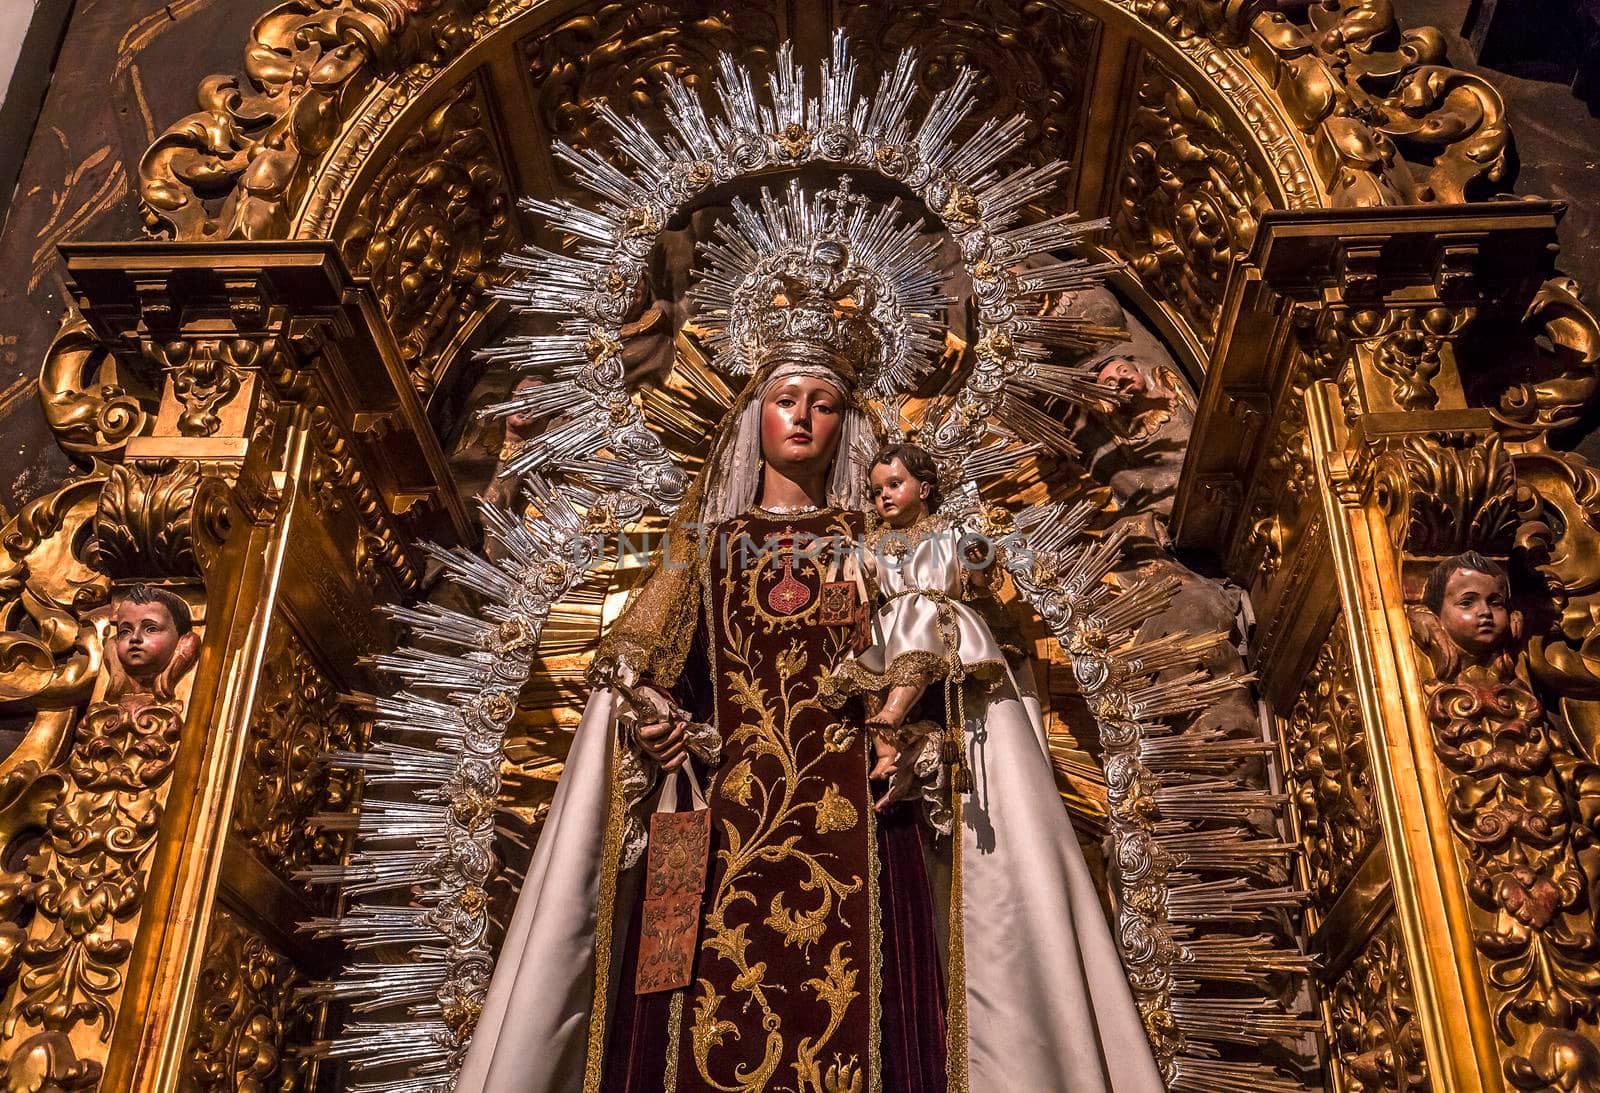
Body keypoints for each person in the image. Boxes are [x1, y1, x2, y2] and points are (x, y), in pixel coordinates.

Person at [458, 219, 1163, 1093]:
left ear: (847, 423)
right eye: (786, 396)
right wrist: (656, 725)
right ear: (753, 412)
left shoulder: (877, 549)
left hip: (862, 831)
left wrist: (925, 751)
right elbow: (631, 670)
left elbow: (939, 685)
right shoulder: (704, 550)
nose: (803, 416)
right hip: (710, 839)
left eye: (825, 402)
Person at [822, 442, 1006, 813]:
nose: (884, 497)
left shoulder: (949, 532)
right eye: (876, 492)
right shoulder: (874, 542)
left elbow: (983, 579)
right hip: (893, 627)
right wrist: (846, 564)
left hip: (937, 619)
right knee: (865, 656)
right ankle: (888, 751)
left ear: (923, 489)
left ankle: (895, 710)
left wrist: (977, 559)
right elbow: (868, 578)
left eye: (893, 485)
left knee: (913, 611)